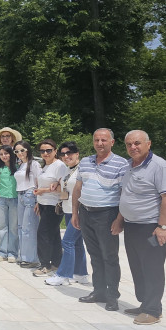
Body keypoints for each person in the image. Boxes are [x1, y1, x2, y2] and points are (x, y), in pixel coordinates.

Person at [112, 130, 166, 325]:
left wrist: (163, 226)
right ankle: (145, 303)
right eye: (129, 144)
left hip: (151, 227)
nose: (133, 147)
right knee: (137, 267)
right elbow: (127, 195)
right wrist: (119, 219)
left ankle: (153, 310)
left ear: (149, 144)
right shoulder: (129, 166)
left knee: (152, 268)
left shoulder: (160, 167)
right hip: (132, 226)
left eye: (137, 143)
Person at [72, 128, 129, 311]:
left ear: (112, 142)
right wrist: (75, 213)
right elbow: (78, 189)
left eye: (104, 140)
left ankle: (112, 296)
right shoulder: (86, 161)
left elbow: (124, 194)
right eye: (96, 140)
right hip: (86, 213)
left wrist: (119, 219)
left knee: (109, 257)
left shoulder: (121, 163)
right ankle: (99, 291)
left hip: (107, 215)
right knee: (95, 255)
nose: (99, 143)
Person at [44, 141, 90, 287]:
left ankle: (63, 275)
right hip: (69, 209)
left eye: (69, 153)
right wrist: (57, 185)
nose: (66, 156)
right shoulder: (67, 170)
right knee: (76, 243)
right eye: (63, 154)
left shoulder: (83, 169)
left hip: (79, 211)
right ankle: (81, 274)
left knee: (67, 242)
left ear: (77, 154)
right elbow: (67, 186)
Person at [33, 139, 68, 277]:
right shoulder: (45, 166)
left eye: (48, 150)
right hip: (43, 204)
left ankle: (45, 264)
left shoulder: (60, 166)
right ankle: (56, 262)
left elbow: (63, 187)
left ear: (55, 151)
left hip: (54, 205)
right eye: (42, 151)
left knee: (43, 234)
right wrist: (38, 200)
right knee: (53, 234)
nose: (46, 153)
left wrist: (44, 190)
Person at [12, 140, 41, 268]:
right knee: (21, 227)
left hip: (30, 195)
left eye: (22, 150)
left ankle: (32, 258)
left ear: (27, 150)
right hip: (20, 195)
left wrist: (38, 201)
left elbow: (39, 182)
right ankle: (23, 255)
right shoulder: (21, 165)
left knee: (29, 227)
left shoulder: (34, 164)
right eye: (16, 151)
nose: (19, 153)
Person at [0, 145, 19, 262]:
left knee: (13, 227)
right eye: (1, 154)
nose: (4, 156)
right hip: (0, 200)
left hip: (15, 199)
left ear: (11, 154)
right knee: (1, 226)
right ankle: (2, 251)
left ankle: (13, 252)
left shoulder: (18, 166)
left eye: (6, 153)